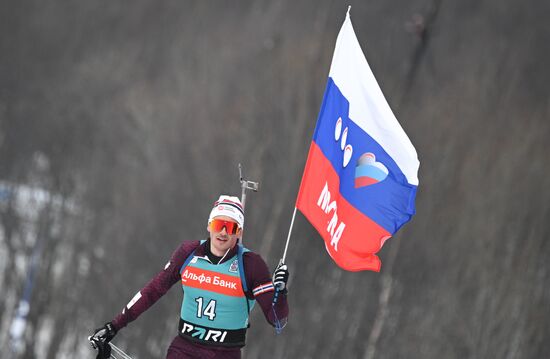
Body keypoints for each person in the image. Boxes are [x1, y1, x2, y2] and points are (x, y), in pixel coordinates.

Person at [90, 195, 290, 359]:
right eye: (219, 224)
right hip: (184, 350)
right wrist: (114, 326)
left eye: (231, 227)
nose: (223, 232)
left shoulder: (251, 264)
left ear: (239, 233)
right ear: (209, 225)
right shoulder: (188, 252)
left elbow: (277, 319)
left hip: (225, 354)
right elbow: (152, 291)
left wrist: (280, 291)